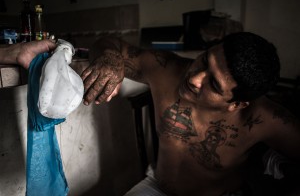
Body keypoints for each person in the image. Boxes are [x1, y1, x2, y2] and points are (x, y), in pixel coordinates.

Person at [81, 32, 300, 196]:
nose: (195, 78)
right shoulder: (166, 69)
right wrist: (110, 58)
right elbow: (108, 42)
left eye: (213, 83)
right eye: (205, 60)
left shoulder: (264, 118)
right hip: (157, 187)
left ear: (238, 104)